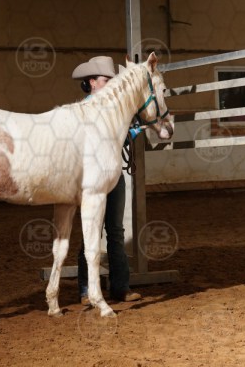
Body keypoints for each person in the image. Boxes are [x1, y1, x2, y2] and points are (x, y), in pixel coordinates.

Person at [72, 56, 142, 305]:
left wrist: (132, 131)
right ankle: (85, 289)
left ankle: (120, 287)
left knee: (115, 231)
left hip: (112, 174)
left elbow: (121, 135)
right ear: (92, 82)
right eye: (105, 80)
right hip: (91, 177)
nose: (110, 84)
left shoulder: (115, 108)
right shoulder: (83, 109)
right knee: (91, 231)